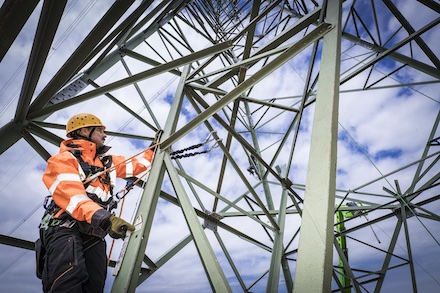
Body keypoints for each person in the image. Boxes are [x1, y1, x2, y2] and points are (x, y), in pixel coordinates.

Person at [37, 113, 155, 293]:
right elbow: (73, 197)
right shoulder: (64, 160)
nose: (105, 135)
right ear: (84, 131)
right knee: (68, 283)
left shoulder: (107, 163)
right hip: (65, 229)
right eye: (100, 130)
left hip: (95, 234)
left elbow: (138, 165)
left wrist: (155, 149)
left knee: (94, 287)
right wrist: (106, 219)